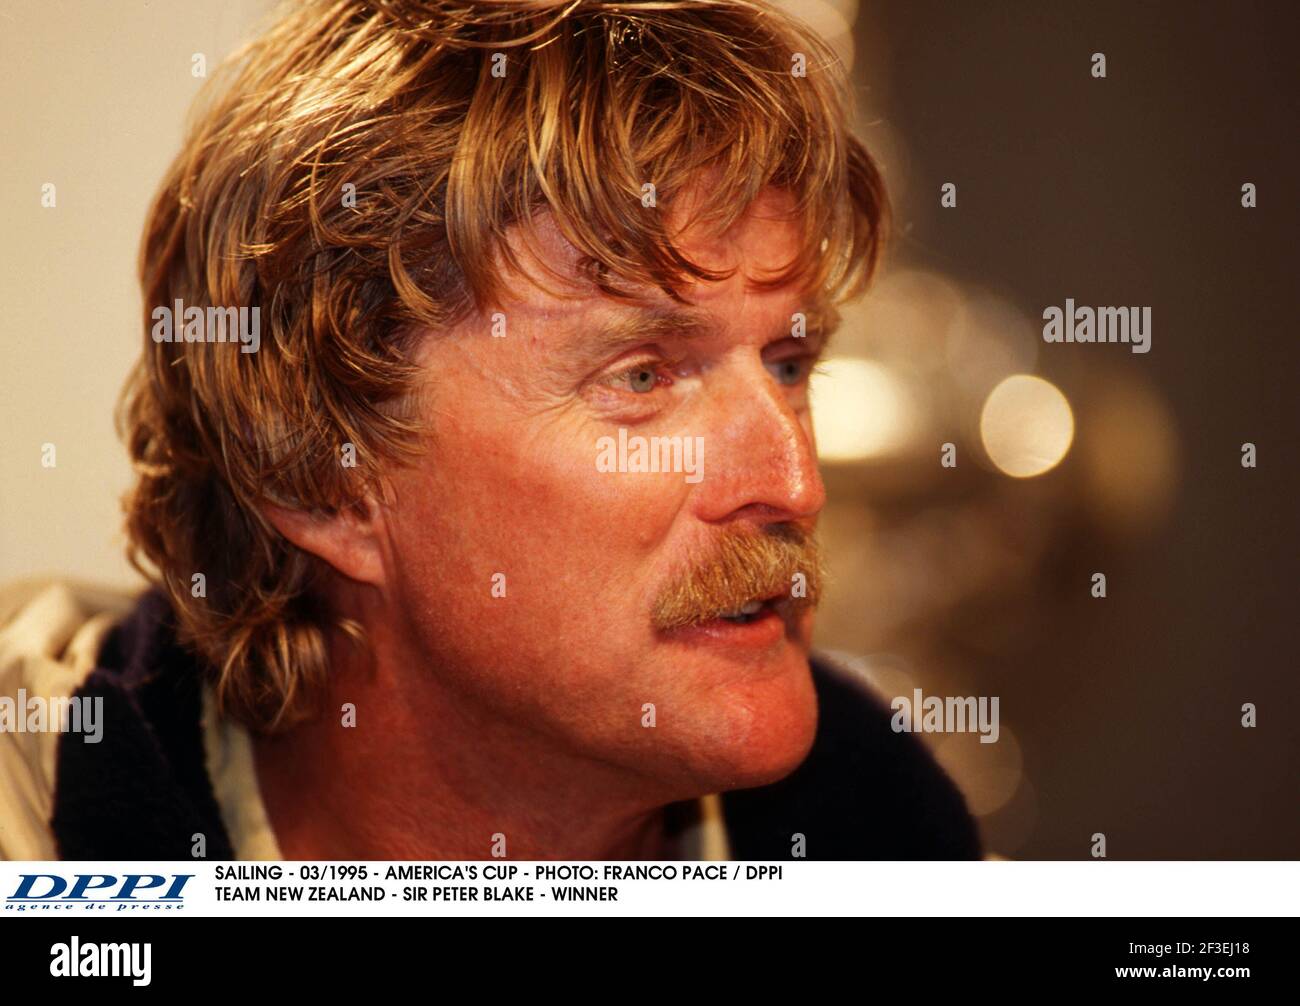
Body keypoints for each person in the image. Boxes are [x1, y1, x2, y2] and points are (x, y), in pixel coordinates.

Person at [0, 0, 978, 861]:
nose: (796, 483)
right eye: (642, 376)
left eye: (789, 364)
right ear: (319, 474)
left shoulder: (893, 847)